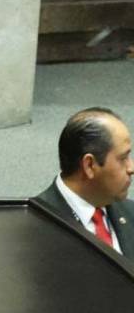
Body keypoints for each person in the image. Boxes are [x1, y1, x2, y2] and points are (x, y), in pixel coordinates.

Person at [33, 108, 134, 253]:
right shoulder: (37, 228)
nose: (131, 168)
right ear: (89, 165)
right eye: (123, 158)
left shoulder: (131, 214)